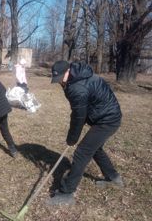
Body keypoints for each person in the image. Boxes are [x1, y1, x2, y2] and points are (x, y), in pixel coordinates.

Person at [46, 60, 123, 206]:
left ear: (68, 71)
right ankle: (113, 178)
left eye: (61, 77)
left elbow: (78, 117)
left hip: (107, 120)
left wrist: (72, 139)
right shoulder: (79, 76)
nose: (60, 81)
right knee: (94, 149)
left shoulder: (77, 88)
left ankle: (66, 194)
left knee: (82, 152)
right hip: (106, 116)